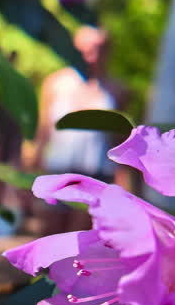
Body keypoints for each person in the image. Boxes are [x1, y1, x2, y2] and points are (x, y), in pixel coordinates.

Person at [28, 26, 128, 233]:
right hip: (58, 171)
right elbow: (43, 130)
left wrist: (124, 185)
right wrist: (31, 172)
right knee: (50, 230)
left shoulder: (116, 90)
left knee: (84, 233)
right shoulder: (55, 83)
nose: (91, 56)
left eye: (98, 49)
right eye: (85, 50)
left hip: (97, 173)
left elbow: (121, 141)